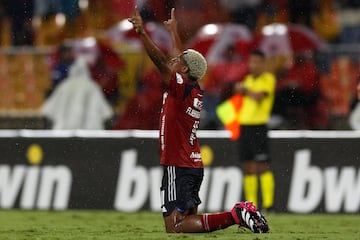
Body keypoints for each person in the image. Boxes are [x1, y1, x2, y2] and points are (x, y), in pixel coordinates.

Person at [128, 7, 269, 234]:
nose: (174, 59)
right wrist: (174, 32)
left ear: (183, 69)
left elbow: (162, 62)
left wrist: (142, 32)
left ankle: (236, 214)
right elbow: (181, 59)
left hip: (178, 163)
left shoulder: (179, 87)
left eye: (178, 61)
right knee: (188, 225)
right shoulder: (193, 89)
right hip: (193, 163)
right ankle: (237, 214)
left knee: (175, 226)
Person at [234, 50, 276, 212]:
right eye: (251, 62)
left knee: (263, 166)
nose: (253, 65)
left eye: (257, 62)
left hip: (259, 127)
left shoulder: (268, 79)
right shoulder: (248, 80)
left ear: (263, 64)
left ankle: (269, 205)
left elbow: (259, 97)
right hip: (244, 127)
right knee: (248, 166)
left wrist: (244, 90)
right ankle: (252, 206)